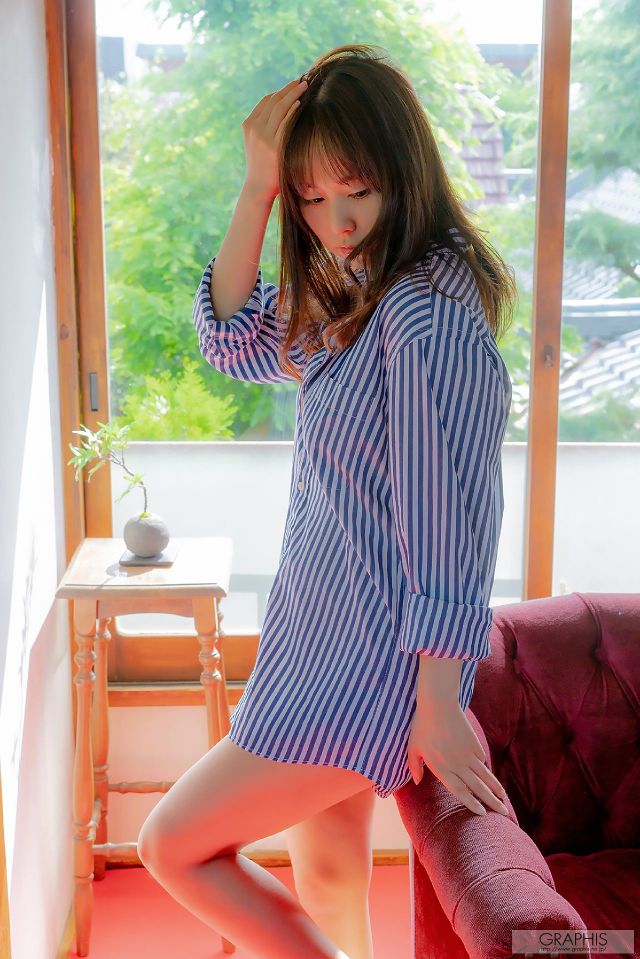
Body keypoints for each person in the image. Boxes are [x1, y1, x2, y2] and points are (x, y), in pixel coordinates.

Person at [137, 43, 517, 959]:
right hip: (320, 636)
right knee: (332, 872)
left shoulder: (422, 312)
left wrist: (438, 699)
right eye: (311, 198)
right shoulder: (358, 288)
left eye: (357, 191)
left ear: (404, 170)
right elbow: (232, 342)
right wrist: (257, 187)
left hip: (367, 656)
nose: (335, 221)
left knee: (171, 844)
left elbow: (450, 520)